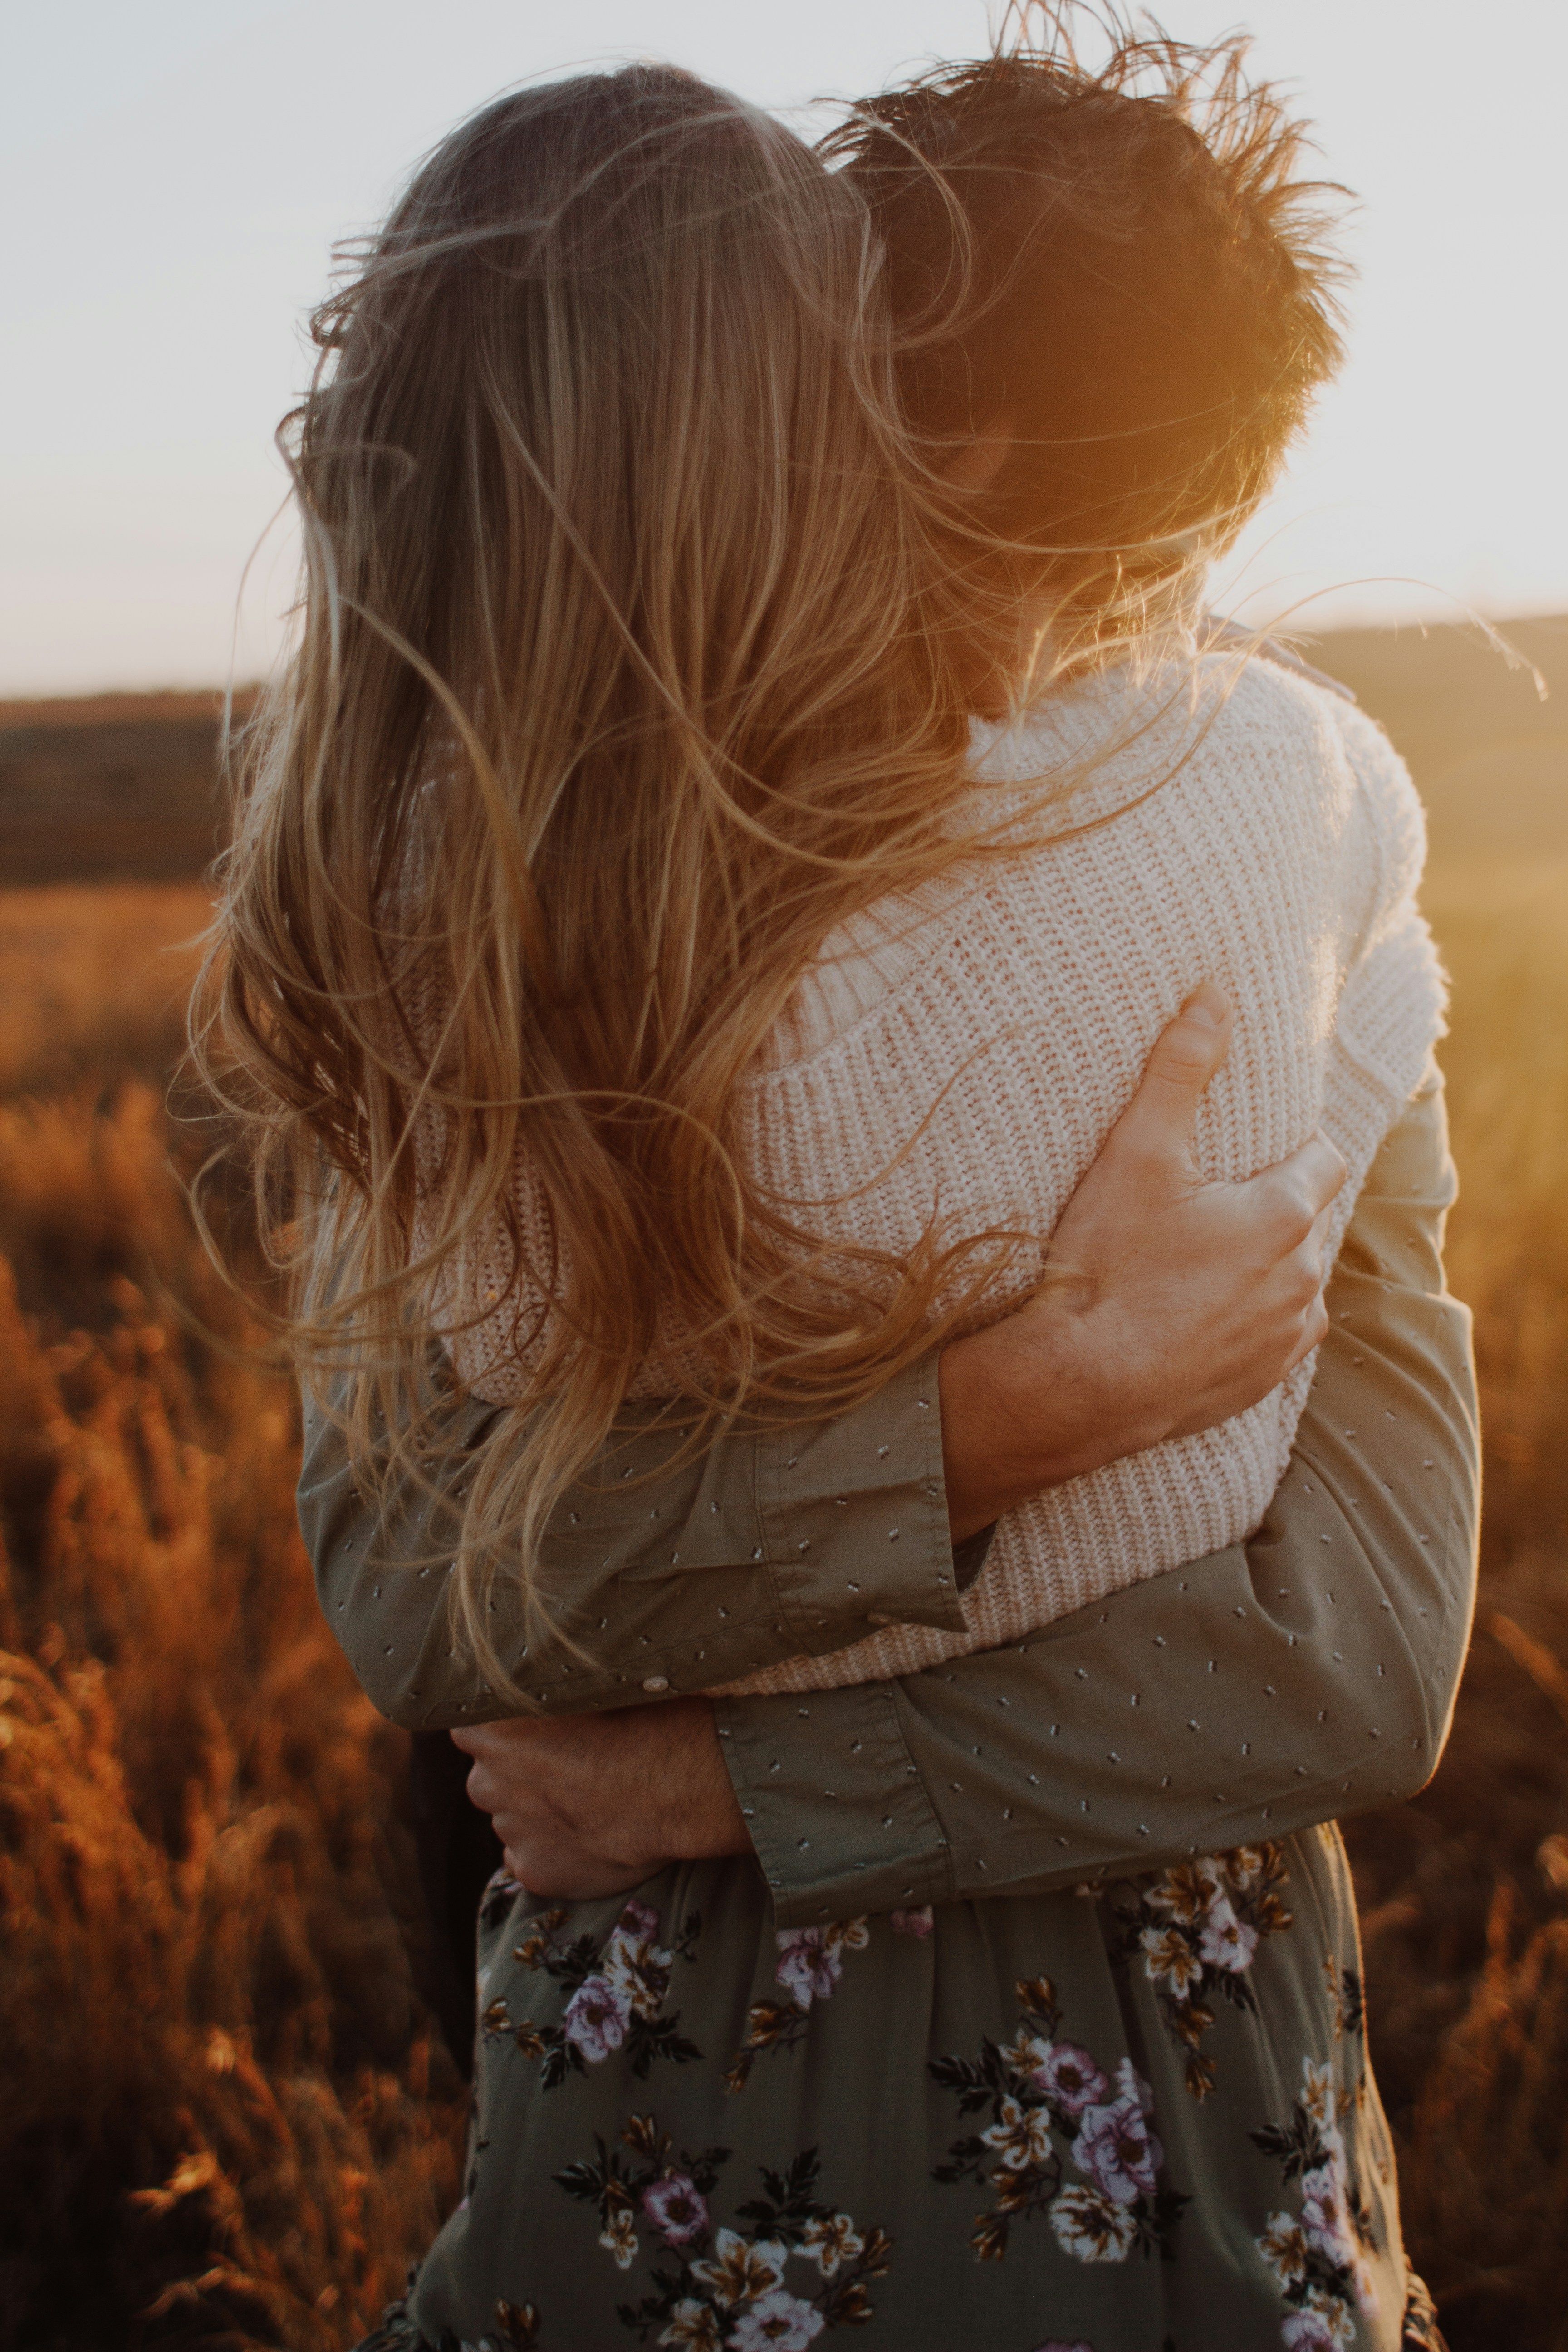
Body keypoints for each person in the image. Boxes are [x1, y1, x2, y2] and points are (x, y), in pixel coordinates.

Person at [205, 28, 1477, 2352]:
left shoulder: (1254, 903)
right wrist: (1011, 1416)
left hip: (1014, 2098)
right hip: (833, 2120)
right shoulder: (531, 927)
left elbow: (1369, 1657)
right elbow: (416, 1594)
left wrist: (727, 1782)